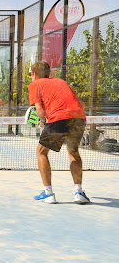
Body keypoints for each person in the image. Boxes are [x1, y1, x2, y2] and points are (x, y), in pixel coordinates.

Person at [28, 60, 89, 204]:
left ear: (35, 74)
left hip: (58, 118)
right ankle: (79, 192)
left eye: (31, 74)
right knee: (73, 151)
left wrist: (42, 120)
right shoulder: (61, 82)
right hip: (79, 117)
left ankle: (48, 193)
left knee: (41, 152)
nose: (30, 76)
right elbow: (82, 103)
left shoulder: (34, 84)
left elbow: (40, 112)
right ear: (48, 73)